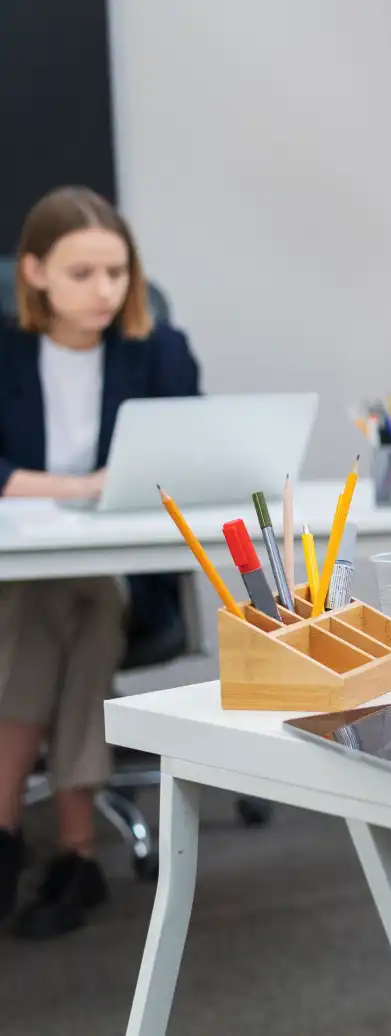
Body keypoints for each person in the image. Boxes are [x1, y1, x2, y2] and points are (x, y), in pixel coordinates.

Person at [0, 186, 200, 939]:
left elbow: (191, 454)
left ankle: (6, 829)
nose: (106, 292)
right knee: (54, 601)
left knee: (72, 596)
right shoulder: (5, 350)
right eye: (82, 273)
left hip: (119, 579)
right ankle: (77, 853)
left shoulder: (158, 350)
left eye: (117, 272)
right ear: (35, 273)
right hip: (12, 576)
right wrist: (77, 487)